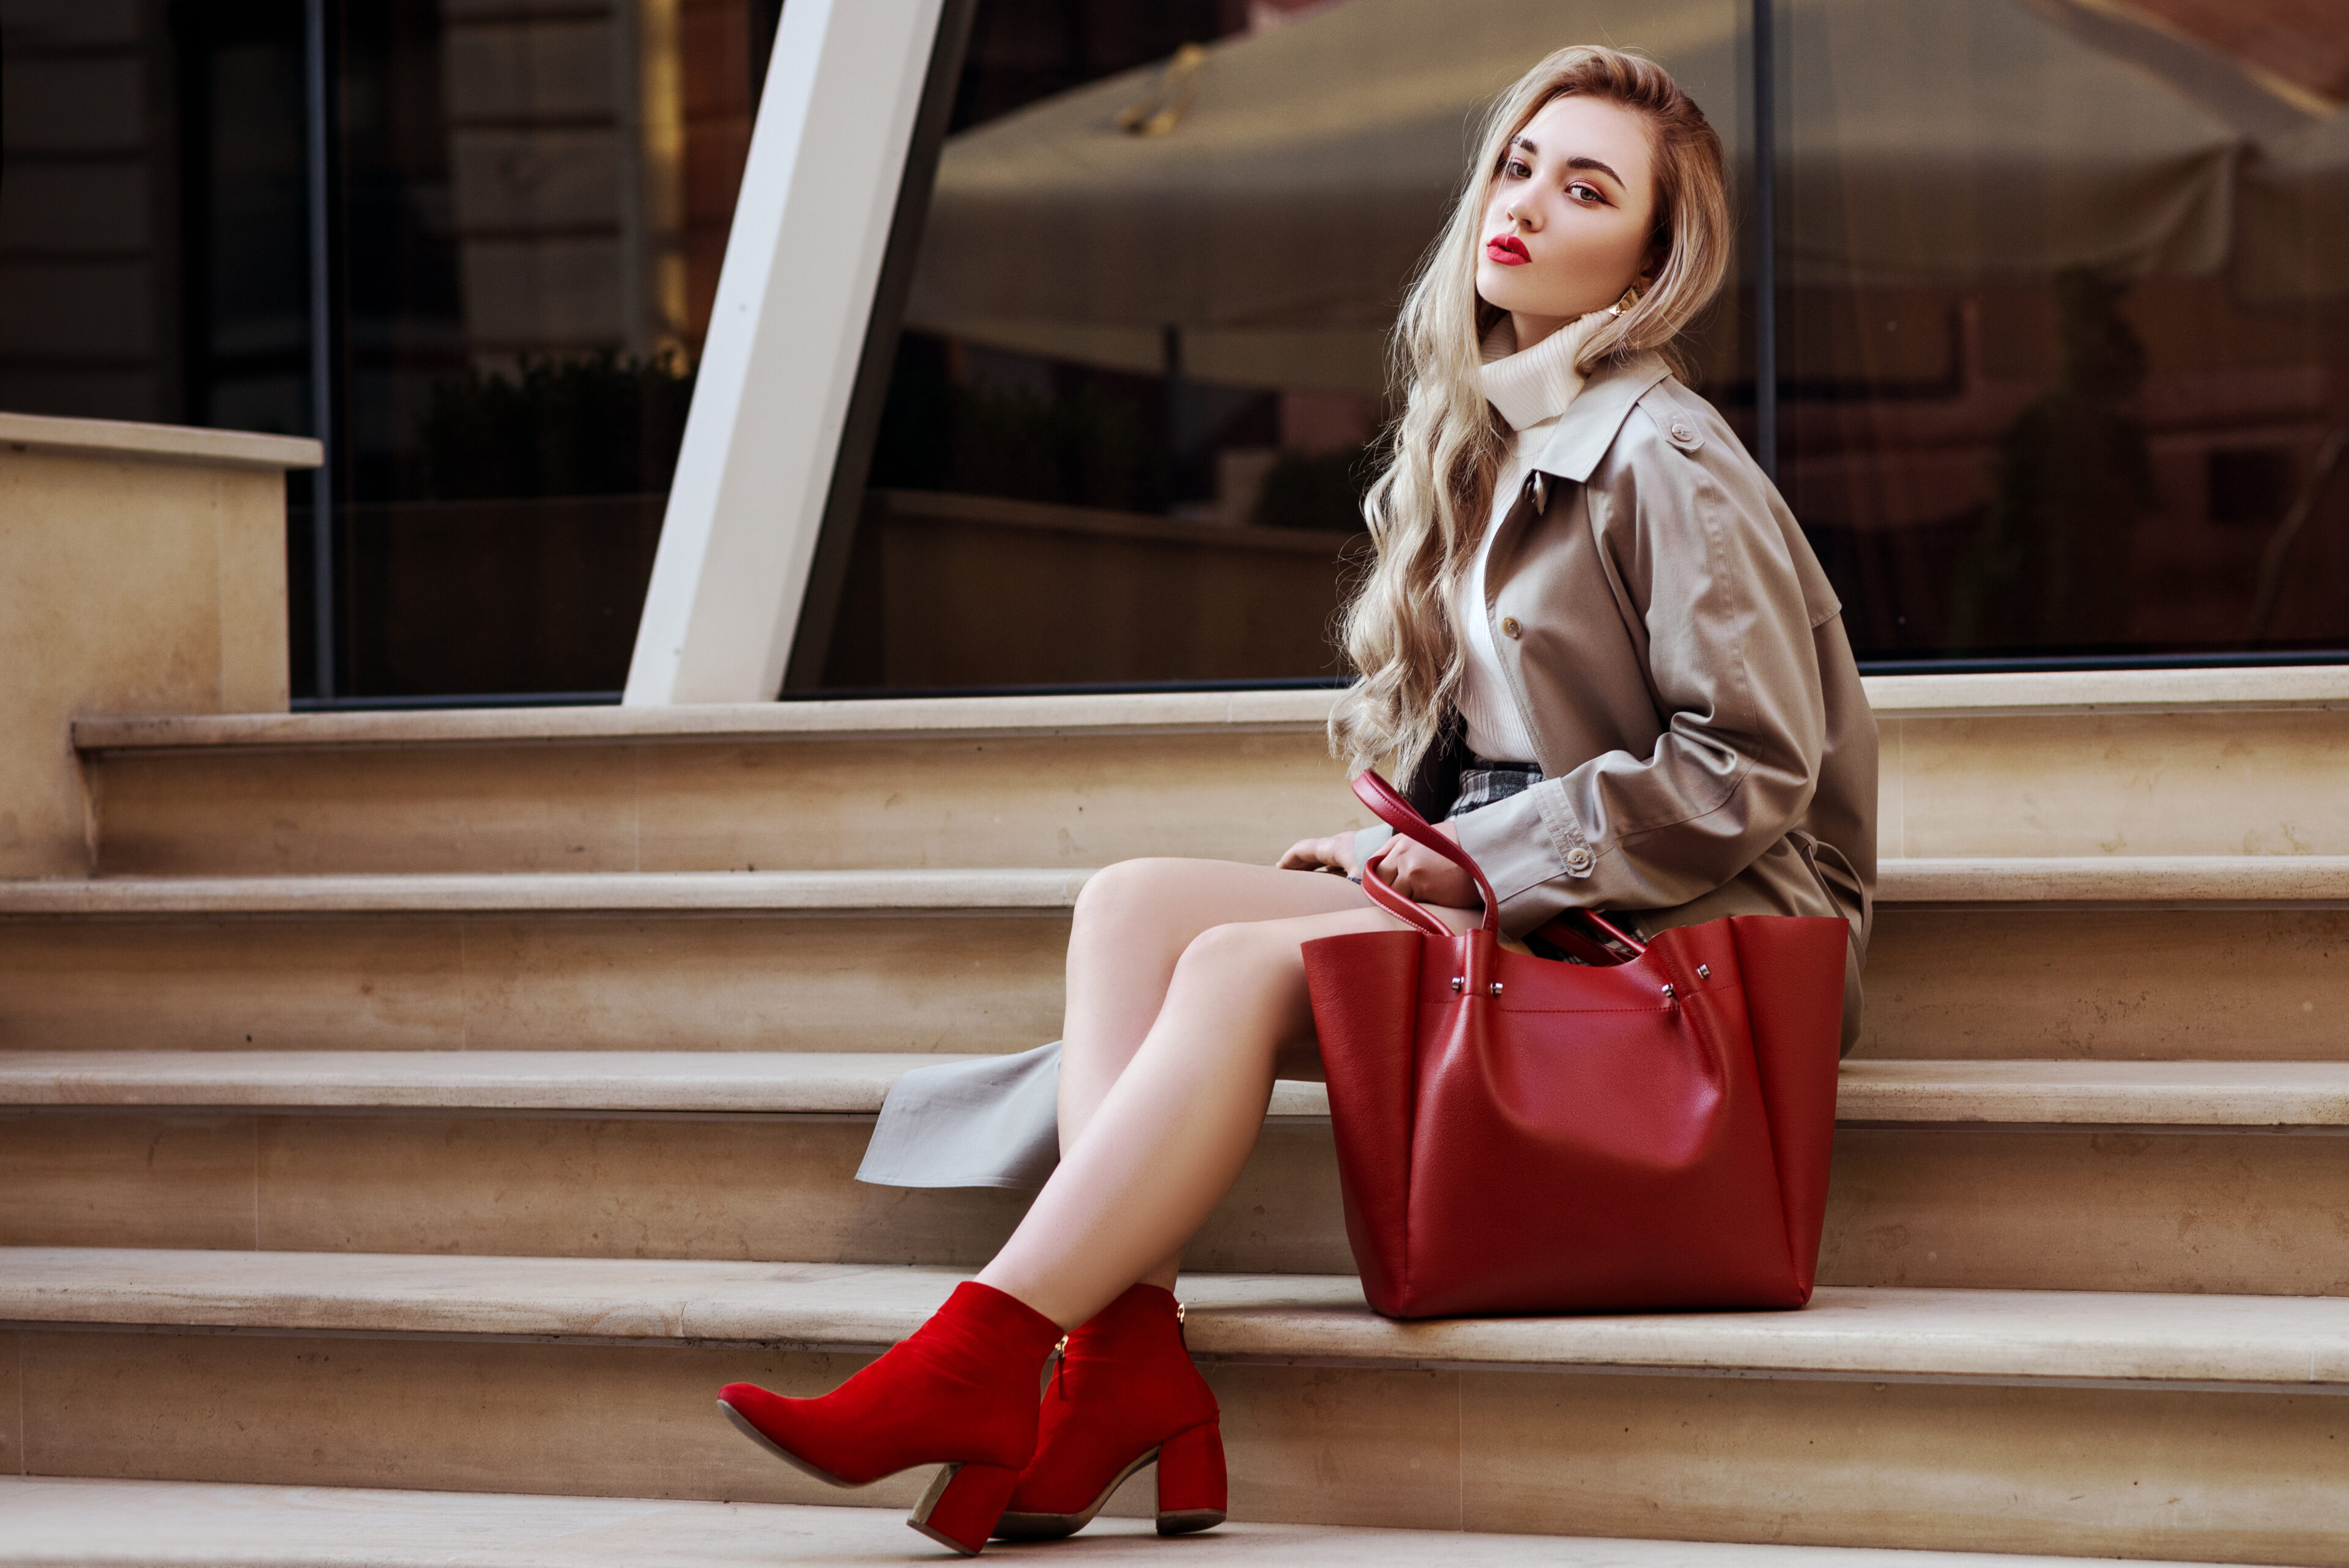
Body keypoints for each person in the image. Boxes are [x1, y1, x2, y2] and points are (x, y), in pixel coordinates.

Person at [714, 43, 1876, 1558]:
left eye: (1586, 189)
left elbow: (1747, 772)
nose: (1523, 204)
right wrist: (1412, 833)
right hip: (1547, 876)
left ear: (1649, 266)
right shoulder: (1493, 434)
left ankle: (982, 1351)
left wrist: (1467, 864)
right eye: (1518, 164)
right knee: (1134, 900)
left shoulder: (1668, 455)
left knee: (1253, 958)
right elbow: (1509, 727)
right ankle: (1125, 1362)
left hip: (1702, 922)